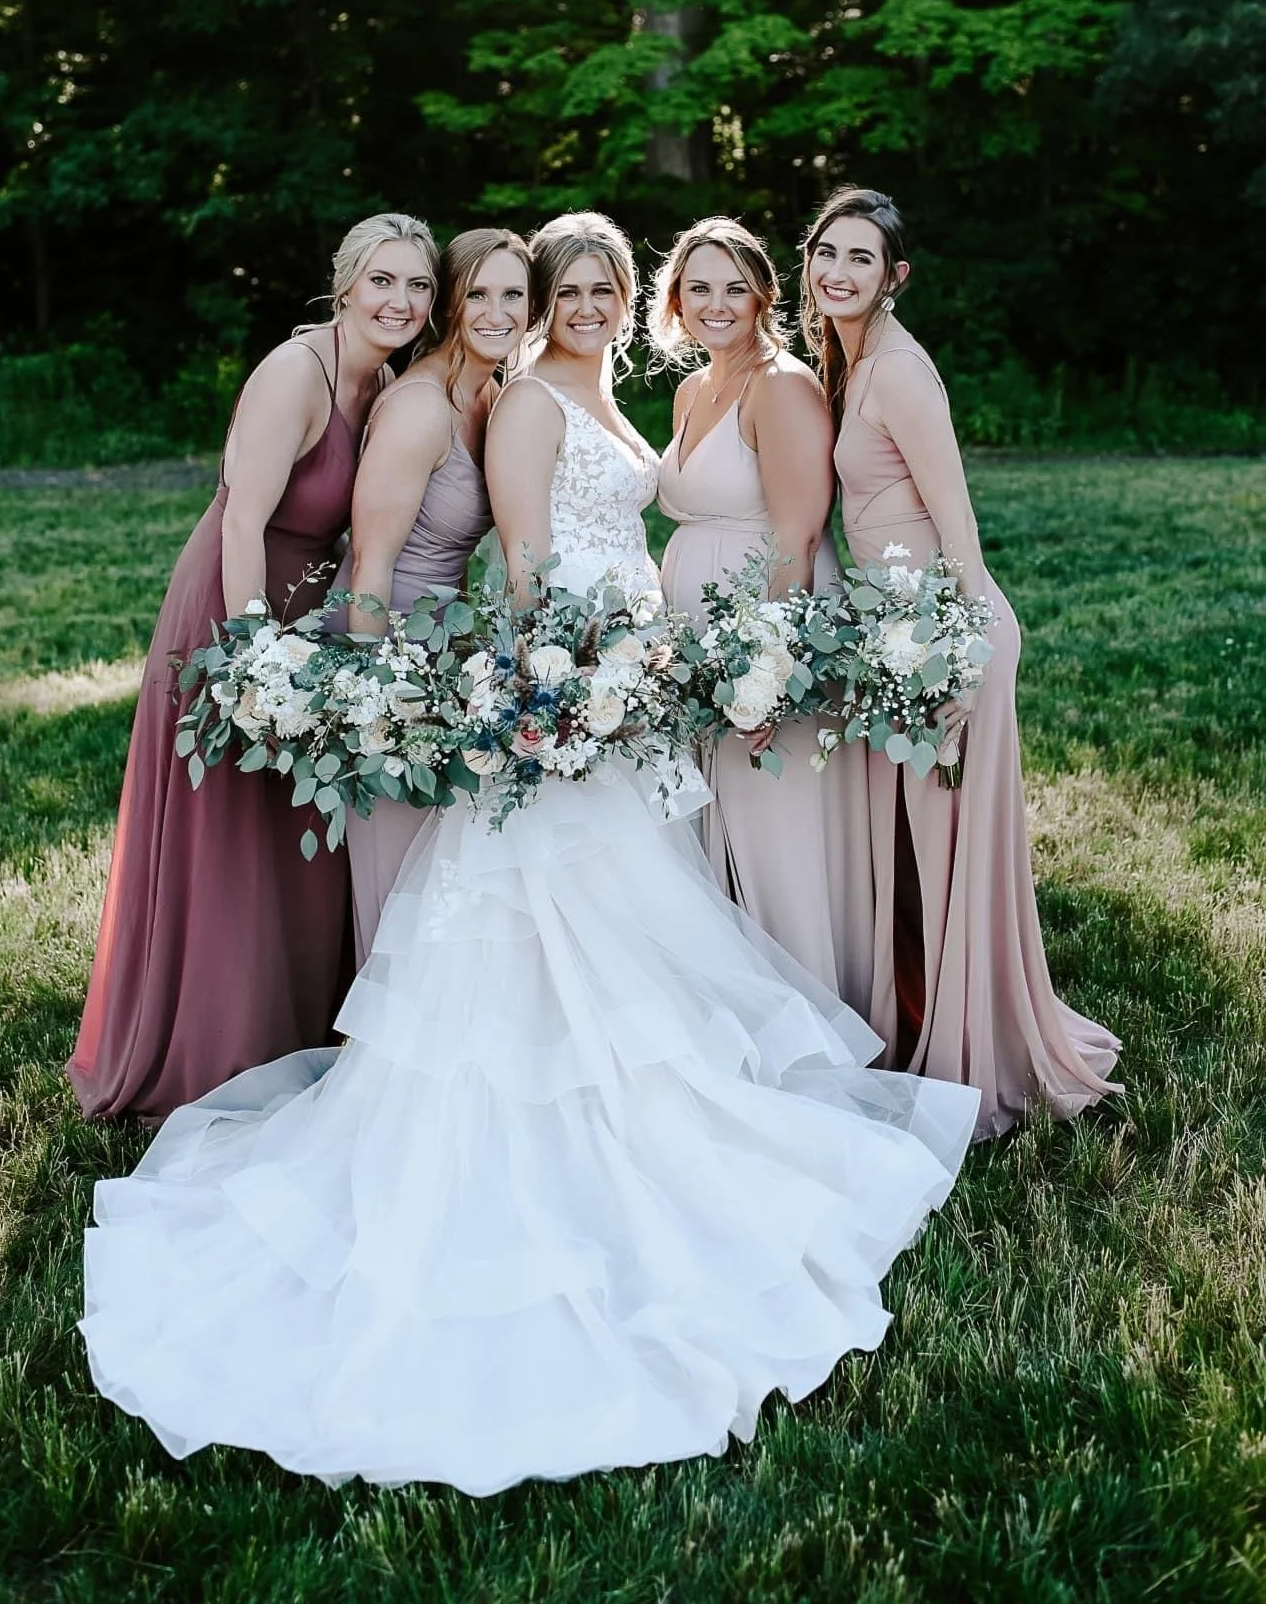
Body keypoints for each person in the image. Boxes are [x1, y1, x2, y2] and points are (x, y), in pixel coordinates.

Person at [79, 209, 979, 1496]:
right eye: (565, 292)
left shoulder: (600, 393)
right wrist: (564, 684)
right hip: (568, 691)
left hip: (622, 684)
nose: (584, 308)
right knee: (562, 919)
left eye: (604, 288)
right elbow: (523, 560)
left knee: (643, 914)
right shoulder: (522, 403)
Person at [67, 213, 439, 1120]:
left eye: (418, 285)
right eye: (382, 280)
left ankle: (290, 1033)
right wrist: (252, 660)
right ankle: (211, 1048)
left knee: (293, 829)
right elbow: (241, 519)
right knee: (228, 830)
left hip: (307, 607)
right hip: (236, 604)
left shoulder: (384, 383)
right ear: (344, 284)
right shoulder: (295, 373)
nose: (399, 301)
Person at [801, 185, 1122, 1138]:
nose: (839, 272)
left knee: (945, 859)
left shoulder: (898, 370)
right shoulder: (847, 361)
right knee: (912, 856)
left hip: (943, 635)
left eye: (861, 258)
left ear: (893, 276)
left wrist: (960, 655)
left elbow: (958, 526)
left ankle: (977, 1056)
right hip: (896, 635)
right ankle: (917, 1024)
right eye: (827, 252)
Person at [651, 216, 874, 1016]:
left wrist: (768, 672)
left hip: (765, 630)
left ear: (762, 297)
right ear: (676, 301)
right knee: (716, 823)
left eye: (733, 289)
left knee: (774, 826)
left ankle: (811, 1009)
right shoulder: (692, 389)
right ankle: (734, 1012)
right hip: (699, 633)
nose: (716, 304)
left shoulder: (780, 386)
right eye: (698, 289)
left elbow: (797, 535)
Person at [337, 227, 532, 965]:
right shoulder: (421, 407)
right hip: (389, 648)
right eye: (478, 294)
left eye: (513, 295)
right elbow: (370, 563)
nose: (496, 313)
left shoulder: (491, 396)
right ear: (450, 303)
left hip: (447, 649)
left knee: (446, 875)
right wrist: (373, 702)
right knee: (399, 877)